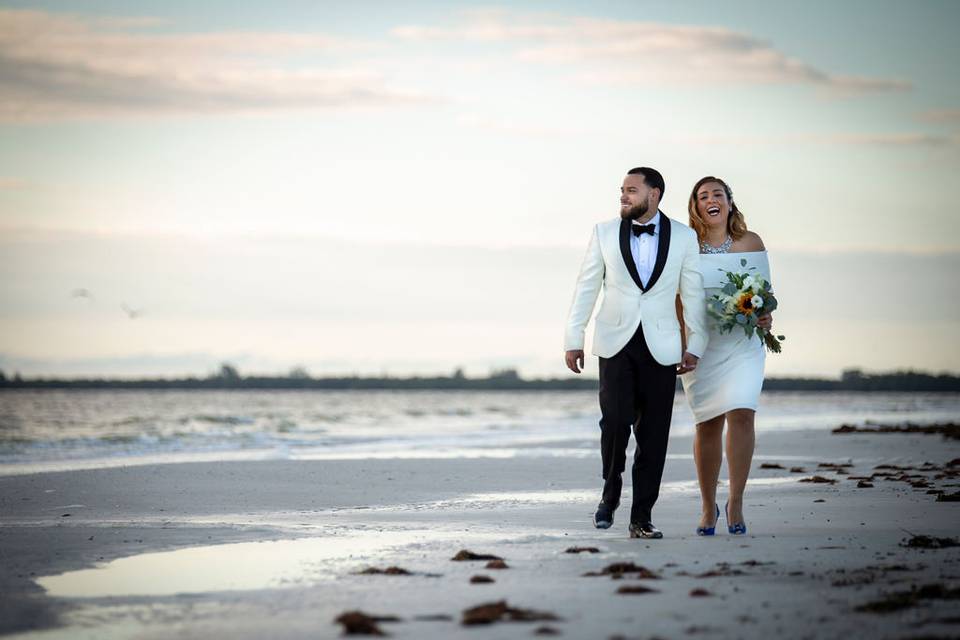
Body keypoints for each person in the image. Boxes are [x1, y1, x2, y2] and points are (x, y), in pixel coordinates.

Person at [564, 167, 708, 539]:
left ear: (654, 194)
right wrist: (573, 336)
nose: (624, 196)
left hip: (662, 346)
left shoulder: (683, 236)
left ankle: (641, 518)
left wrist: (696, 344)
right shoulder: (604, 232)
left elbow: (692, 294)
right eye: (622, 191)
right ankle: (610, 490)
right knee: (614, 421)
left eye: (631, 190)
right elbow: (586, 287)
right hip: (615, 341)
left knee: (654, 436)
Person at [679, 176, 774, 536]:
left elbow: (765, 294)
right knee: (707, 424)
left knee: (743, 413)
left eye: (718, 194)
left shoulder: (751, 242)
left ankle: (735, 501)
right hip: (703, 344)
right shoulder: (686, 247)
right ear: (697, 208)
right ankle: (708, 507)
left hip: (743, 342)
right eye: (703, 196)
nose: (711, 199)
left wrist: (766, 316)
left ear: (729, 203)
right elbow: (678, 300)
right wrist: (684, 345)